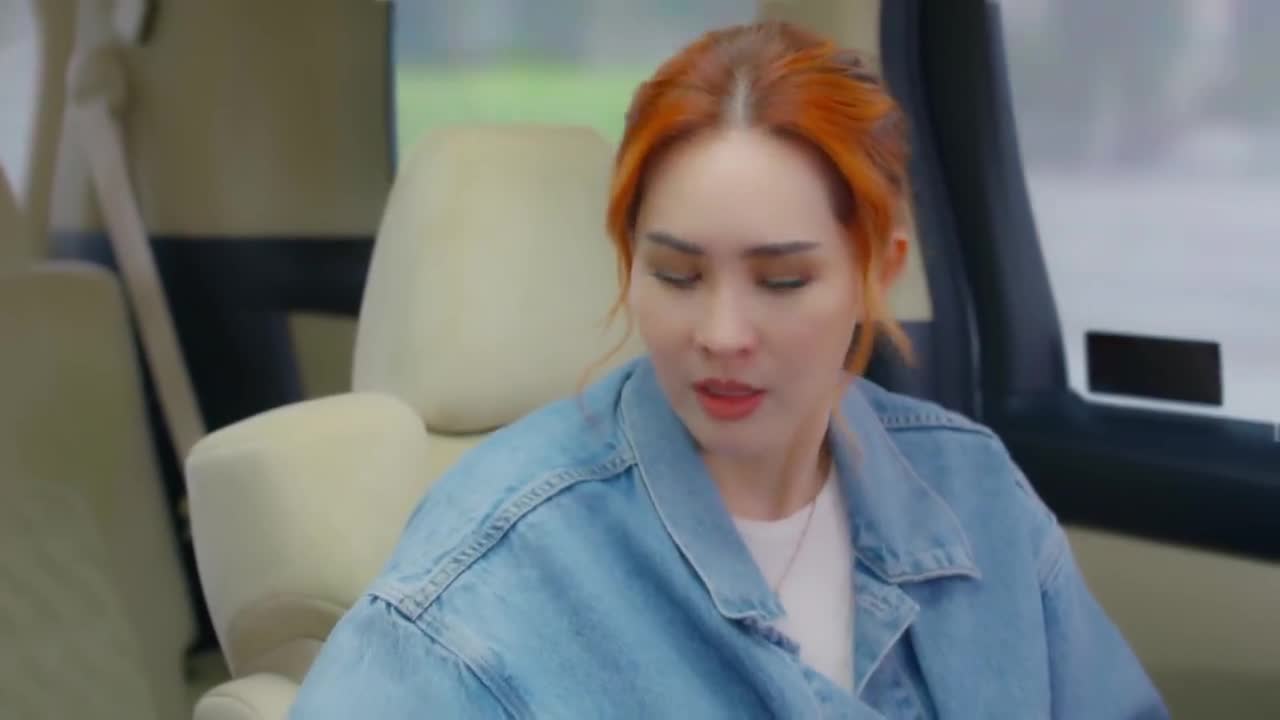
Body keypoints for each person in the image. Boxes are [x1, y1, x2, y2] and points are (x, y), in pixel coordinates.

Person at [290, 21, 1168, 719]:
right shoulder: (485, 581)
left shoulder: (975, 495)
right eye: (676, 275)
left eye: (782, 281)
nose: (721, 334)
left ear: (880, 271)